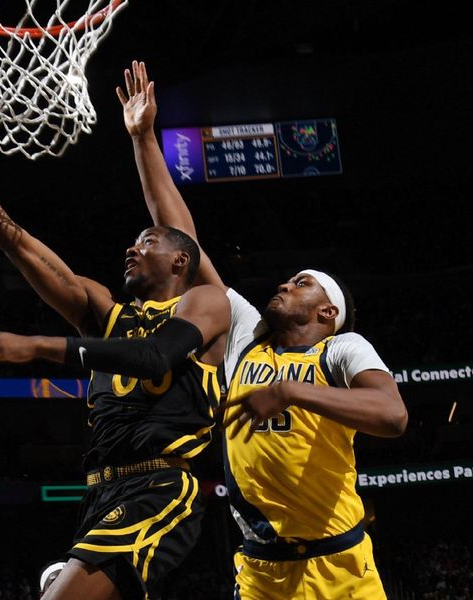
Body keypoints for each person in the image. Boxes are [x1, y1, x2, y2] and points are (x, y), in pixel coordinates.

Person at [0, 72, 231, 600]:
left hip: (161, 487)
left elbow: (158, 357)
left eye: (146, 241)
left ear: (181, 260)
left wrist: (38, 346)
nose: (131, 249)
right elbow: (12, 238)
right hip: (100, 491)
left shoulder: (206, 303)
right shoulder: (103, 311)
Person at [118, 60, 408, 599]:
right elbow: (183, 241)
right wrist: (143, 139)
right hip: (260, 573)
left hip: (341, 570)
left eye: (303, 284)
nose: (285, 284)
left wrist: (291, 391)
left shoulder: (342, 349)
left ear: (327, 314)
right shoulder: (247, 333)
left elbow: (392, 416)